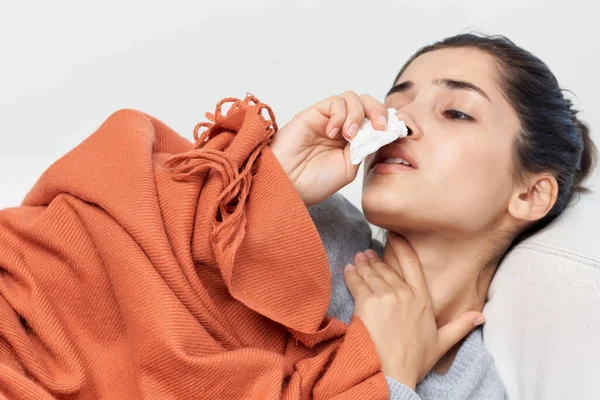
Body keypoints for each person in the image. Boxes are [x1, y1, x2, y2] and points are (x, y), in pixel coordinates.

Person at [269, 33, 597, 399]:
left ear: (530, 194)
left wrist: (389, 374)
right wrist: (269, 180)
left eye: (456, 113)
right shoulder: (303, 222)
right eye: (394, 105)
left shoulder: (476, 391)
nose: (401, 120)